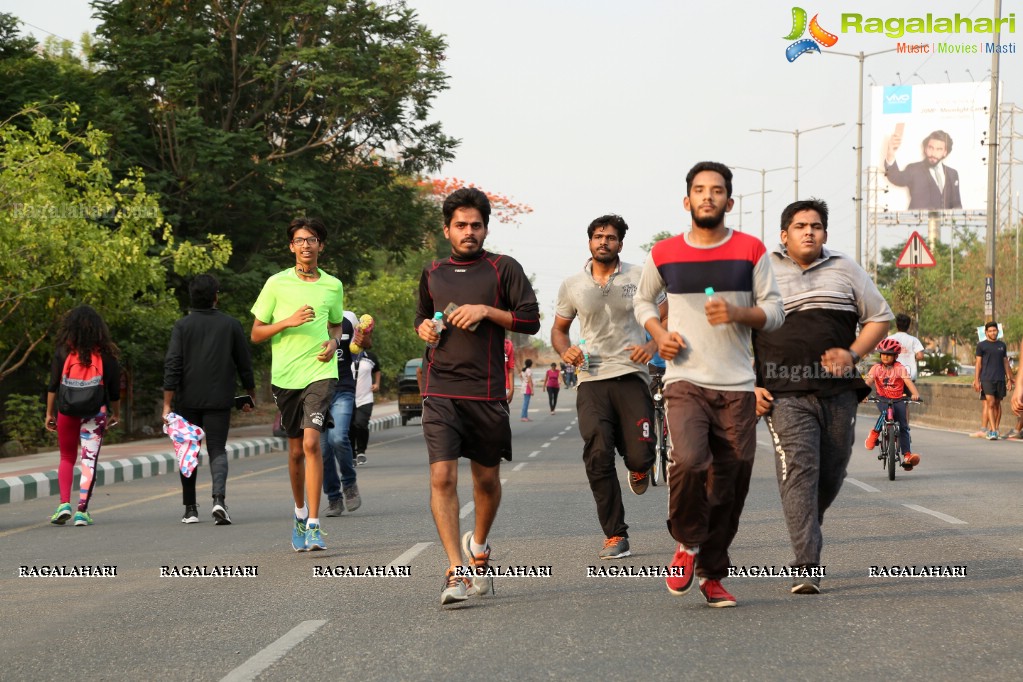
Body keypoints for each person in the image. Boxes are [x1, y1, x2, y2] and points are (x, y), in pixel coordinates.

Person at [635, 161, 784, 608]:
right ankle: (685, 544)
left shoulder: (750, 250)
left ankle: (712, 572)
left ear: (729, 202)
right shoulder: (664, 253)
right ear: (687, 201)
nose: (707, 197)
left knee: (732, 480)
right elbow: (644, 299)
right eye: (699, 190)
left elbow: (775, 312)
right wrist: (659, 335)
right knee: (691, 461)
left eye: (716, 190)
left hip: (737, 385)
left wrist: (738, 313)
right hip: (685, 379)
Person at [752, 199, 893, 594]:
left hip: (837, 393)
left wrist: (852, 354)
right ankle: (806, 565)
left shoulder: (845, 268)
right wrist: (751, 383)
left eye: (816, 226)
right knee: (800, 471)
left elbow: (879, 317)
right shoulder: (760, 273)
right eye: (800, 226)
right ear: (785, 235)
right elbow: (734, 332)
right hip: (783, 392)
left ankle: (807, 527)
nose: (809, 232)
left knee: (832, 472)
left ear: (825, 234)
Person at [415, 187, 540, 606]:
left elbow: (530, 320)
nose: (469, 232)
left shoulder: (503, 269)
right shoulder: (432, 271)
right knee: (442, 477)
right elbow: (421, 317)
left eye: (476, 225)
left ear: (486, 228)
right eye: (461, 225)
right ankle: (455, 569)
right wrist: (424, 329)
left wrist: (487, 311)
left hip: (486, 393)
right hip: (439, 388)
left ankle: (479, 545)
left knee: (486, 481)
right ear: (447, 228)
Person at [552, 213, 660, 561]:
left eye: (610, 237)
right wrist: (564, 349)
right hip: (592, 377)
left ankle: (640, 466)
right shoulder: (572, 284)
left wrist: (652, 346)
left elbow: (666, 315)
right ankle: (615, 534)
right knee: (598, 454)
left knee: (642, 453)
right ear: (589, 242)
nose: (603, 242)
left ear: (620, 244)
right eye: (598, 236)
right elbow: (559, 329)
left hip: (631, 373)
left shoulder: (640, 275)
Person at [251, 217, 344, 552]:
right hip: (286, 377)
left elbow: (336, 326)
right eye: (300, 240)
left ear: (321, 245)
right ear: (292, 246)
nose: (307, 245)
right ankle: (300, 513)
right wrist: (287, 322)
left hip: (320, 372)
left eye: (313, 239)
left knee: (311, 445)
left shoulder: (333, 285)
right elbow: (256, 333)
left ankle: (316, 526)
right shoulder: (276, 284)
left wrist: (335, 345)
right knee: (294, 452)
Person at [163, 274, 256, 525]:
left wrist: (167, 403)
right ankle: (218, 500)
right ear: (215, 296)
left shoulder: (182, 326)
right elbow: (244, 363)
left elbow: (173, 364)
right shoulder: (231, 325)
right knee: (216, 448)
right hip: (219, 400)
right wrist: (250, 392)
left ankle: (190, 509)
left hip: (187, 401)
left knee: (187, 451)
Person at [44, 305, 122, 527]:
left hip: (66, 410)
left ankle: (63, 504)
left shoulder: (62, 351)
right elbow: (114, 391)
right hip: (95, 412)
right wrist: (115, 412)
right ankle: (82, 511)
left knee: (67, 457)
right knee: (89, 459)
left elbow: (52, 385)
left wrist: (50, 413)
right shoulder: (107, 356)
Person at [321, 310, 368, 517]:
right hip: (315, 393)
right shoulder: (305, 319)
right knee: (322, 451)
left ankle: (349, 484)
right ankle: (333, 498)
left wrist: (365, 337)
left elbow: (363, 349)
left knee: (338, 438)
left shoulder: (348, 318)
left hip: (342, 389)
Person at [864, 338, 922, 468]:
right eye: (883, 354)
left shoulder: (900, 368)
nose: (885, 357)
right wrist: (862, 395)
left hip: (898, 399)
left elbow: (908, 382)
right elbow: (867, 383)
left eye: (889, 354)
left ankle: (907, 455)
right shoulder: (875, 368)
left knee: (903, 426)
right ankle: (874, 433)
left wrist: (915, 394)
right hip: (883, 399)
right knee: (886, 412)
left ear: (896, 356)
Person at [884, 129, 962, 210]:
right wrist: (890, 153)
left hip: (943, 222)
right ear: (925, 148)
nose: (933, 153)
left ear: (945, 152)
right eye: (930, 148)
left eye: (939, 149)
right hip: (918, 221)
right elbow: (895, 177)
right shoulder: (913, 169)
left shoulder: (953, 173)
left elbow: (957, 205)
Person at [973, 321, 1014, 440]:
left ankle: (995, 428)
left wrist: (1009, 379)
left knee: (997, 404)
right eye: (990, 331)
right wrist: (976, 380)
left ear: (998, 331)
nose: (992, 332)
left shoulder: (1002, 345)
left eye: (994, 330)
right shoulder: (981, 345)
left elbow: (1005, 362)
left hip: (1000, 378)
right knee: (990, 403)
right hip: (987, 379)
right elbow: (978, 363)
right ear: (986, 333)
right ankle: (993, 431)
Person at [349, 343, 381, 465]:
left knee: (361, 423)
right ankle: (351, 454)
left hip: (365, 397)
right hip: (348, 397)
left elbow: (377, 371)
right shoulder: (346, 357)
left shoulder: (370, 357)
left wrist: (377, 384)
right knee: (349, 426)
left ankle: (361, 451)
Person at [890, 313, 925, 381]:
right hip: (910, 375)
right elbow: (920, 356)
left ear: (896, 325)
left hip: (894, 375)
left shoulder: (890, 339)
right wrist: (912, 356)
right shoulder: (914, 340)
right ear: (908, 326)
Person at [504, 337, 516, 402]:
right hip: (483, 388)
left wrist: (511, 390)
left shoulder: (508, 344)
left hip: (504, 388)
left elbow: (510, 368)